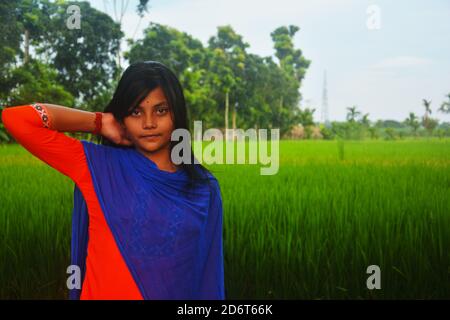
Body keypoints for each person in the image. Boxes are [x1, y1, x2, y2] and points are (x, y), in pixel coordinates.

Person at [1, 61, 225, 300]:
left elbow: (209, 274)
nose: (149, 123)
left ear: (177, 114)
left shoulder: (204, 188)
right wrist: (99, 122)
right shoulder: (97, 165)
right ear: (122, 117)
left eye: (161, 110)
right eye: (136, 112)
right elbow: (16, 119)